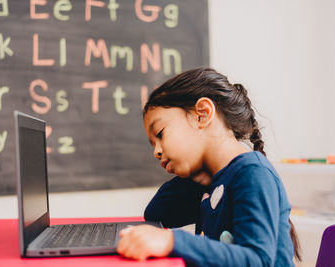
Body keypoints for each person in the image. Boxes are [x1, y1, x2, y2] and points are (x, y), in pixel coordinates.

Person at [117, 67, 301, 266]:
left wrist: (172, 241)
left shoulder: (252, 174)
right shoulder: (212, 180)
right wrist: (196, 174)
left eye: (160, 134)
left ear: (202, 114)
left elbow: (257, 260)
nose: (157, 152)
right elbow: (157, 214)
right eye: (153, 144)